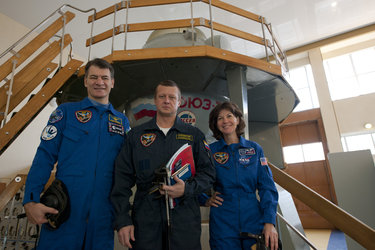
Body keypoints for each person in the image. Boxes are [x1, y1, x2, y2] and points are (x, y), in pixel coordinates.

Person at [23, 58, 130, 249]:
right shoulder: (65, 113)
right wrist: (30, 200)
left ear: (112, 82)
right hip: (64, 210)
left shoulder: (122, 122)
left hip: (103, 215)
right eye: (94, 77)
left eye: (105, 78)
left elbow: (128, 169)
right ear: (85, 81)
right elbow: (44, 156)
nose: (99, 82)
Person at [111, 80, 215, 250]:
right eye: (162, 96)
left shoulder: (194, 136)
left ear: (179, 102)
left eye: (172, 97)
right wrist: (122, 220)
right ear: (155, 100)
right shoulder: (136, 136)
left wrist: (187, 189)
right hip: (146, 219)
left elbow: (209, 174)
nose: (167, 100)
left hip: (184, 218)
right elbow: (121, 181)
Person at [200, 101, 279, 250]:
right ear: (215, 124)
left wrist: (269, 222)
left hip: (253, 218)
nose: (225, 121)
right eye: (220, 118)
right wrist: (205, 200)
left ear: (237, 119)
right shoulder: (209, 151)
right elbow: (196, 179)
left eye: (229, 116)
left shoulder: (254, 149)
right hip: (223, 220)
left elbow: (267, 187)